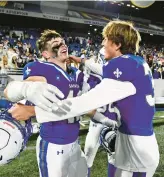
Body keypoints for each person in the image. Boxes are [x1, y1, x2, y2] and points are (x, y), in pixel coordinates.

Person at [5, 20, 159, 177]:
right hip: (54, 143)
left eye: (106, 39)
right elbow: (13, 90)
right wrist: (23, 89)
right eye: (56, 44)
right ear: (45, 54)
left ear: (117, 44)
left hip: (133, 151)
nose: (103, 43)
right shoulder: (136, 63)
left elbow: (85, 103)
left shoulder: (85, 74)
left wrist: (33, 112)